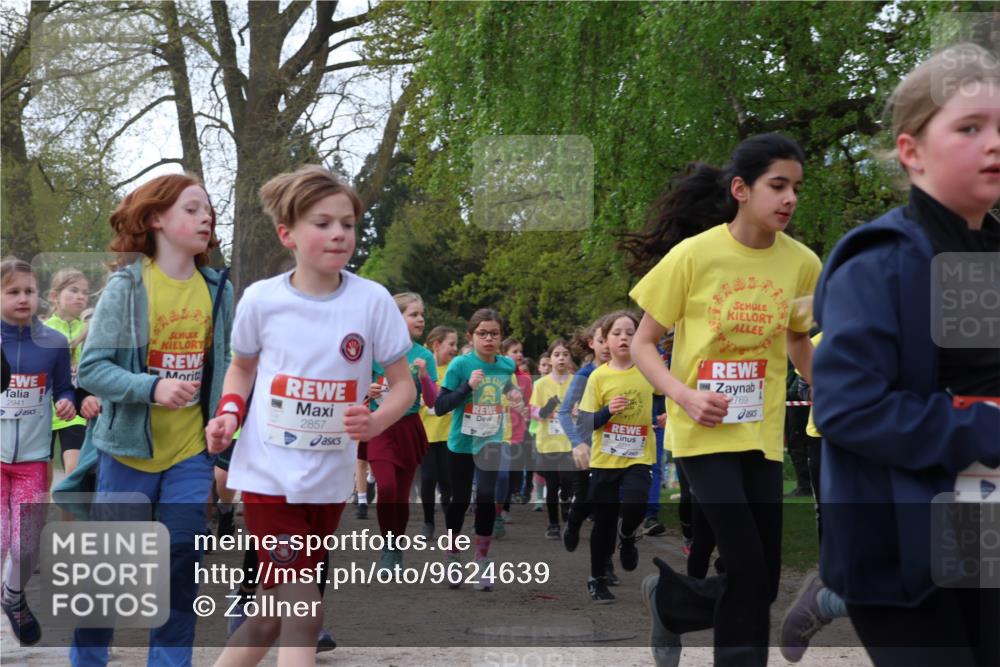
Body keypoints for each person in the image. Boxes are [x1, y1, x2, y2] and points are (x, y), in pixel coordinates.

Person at [812, 43, 1000, 667]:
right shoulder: (883, 259)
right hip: (902, 557)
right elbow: (849, 408)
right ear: (912, 152)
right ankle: (832, 592)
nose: (993, 143)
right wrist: (986, 424)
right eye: (970, 128)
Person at [207, 165, 414, 667]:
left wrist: (377, 419)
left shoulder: (372, 301)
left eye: (347, 223)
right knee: (304, 603)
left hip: (328, 479)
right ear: (288, 234)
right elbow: (241, 369)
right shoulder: (262, 300)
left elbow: (404, 386)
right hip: (267, 476)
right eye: (323, 223)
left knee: (270, 613)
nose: (339, 233)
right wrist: (229, 414)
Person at [627, 133, 821, 666]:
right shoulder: (694, 256)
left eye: (796, 188)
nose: (789, 199)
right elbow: (644, 345)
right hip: (702, 433)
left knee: (759, 579)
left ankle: (671, 603)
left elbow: (798, 338)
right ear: (741, 189)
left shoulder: (802, 263)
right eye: (777, 186)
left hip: (762, 435)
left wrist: (830, 387)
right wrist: (683, 395)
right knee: (747, 567)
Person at [64, 173, 233, 667]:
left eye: (209, 211)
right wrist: (151, 387)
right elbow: (93, 369)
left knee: (182, 564)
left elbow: (229, 366)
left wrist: (225, 416)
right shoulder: (128, 286)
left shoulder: (218, 290)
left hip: (190, 455)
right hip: (127, 453)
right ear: (156, 218)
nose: (206, 218)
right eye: (192, 209)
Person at [1, 258, 76, 646]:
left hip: (33, 461)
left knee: (27, 544)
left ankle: (12, 597)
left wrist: (66, 403)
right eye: (13, 291)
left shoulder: (53, 342)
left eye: (29, 290)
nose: (23, 298)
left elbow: (65, 387)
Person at [576, 311, 664, 603]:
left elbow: (668, 395)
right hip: (605, 460)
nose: (624, 337)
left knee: (636, 504)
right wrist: (607, 411)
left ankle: (627, 535)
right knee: (603, 522)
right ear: (606, 340)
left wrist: (666, 415)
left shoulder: (649, 369)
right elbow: (586, 423)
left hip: (638, 455)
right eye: (617, 333)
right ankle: (597, 577)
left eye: (630, 332)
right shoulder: (598, 376)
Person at [434, 308, 517, 592]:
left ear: (501, 337)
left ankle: (481, 559)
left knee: (485, 496)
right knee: (458, 500)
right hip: (461, 442)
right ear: (471, 336)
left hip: (491, 441)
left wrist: (514, 396)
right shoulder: (460, 365)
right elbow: (440, 406)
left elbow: (508, 391)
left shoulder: (507, 365)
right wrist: (467, 388)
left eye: (494, 333)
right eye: (482, 333)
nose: (489, 338)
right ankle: (453, 554)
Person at [365, 292, 437, 571]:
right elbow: (357, 391)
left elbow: (432, 401)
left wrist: (424, 377)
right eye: (414, 314)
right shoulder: (374, 351)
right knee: (387, 486)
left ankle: (396, 548)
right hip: (380, 425)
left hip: (408, 427)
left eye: (422, 314)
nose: (421, 319)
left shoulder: (424, 356)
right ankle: (387, 544)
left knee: (402, 493)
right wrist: (367, 391)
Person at [44, 268, 101, 478]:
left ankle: (69, 512)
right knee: (43, 478)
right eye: (73, 290)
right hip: (45, 413)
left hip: (74, 411)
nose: (80, 296)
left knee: (74, 474)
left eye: (85, 293)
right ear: (54, 296)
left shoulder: (91, 330)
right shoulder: (42, 330)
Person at [529, 338, 576, 539]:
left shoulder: (578, 382)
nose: (561, 358)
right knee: (551, 483)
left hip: (570, 441)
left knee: (567, 480)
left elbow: (586, 408)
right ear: (550, 359)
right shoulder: (540, 384)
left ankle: (566, 500)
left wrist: (578, 411)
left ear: (570, 359)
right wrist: (548, 411)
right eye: (557, 355)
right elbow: (533, 410)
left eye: (565, 354)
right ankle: (553, 524)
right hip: (547, 440)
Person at [419, 325, 458, 538]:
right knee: (428, 479)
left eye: (456, 344)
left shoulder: (455, 369)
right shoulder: (423, 369)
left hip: (449, 435)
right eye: (451, 344)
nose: (455, 348)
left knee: (447, 482)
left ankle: (451, 527)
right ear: (436, 345)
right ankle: (428, 522)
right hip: (425, 434)